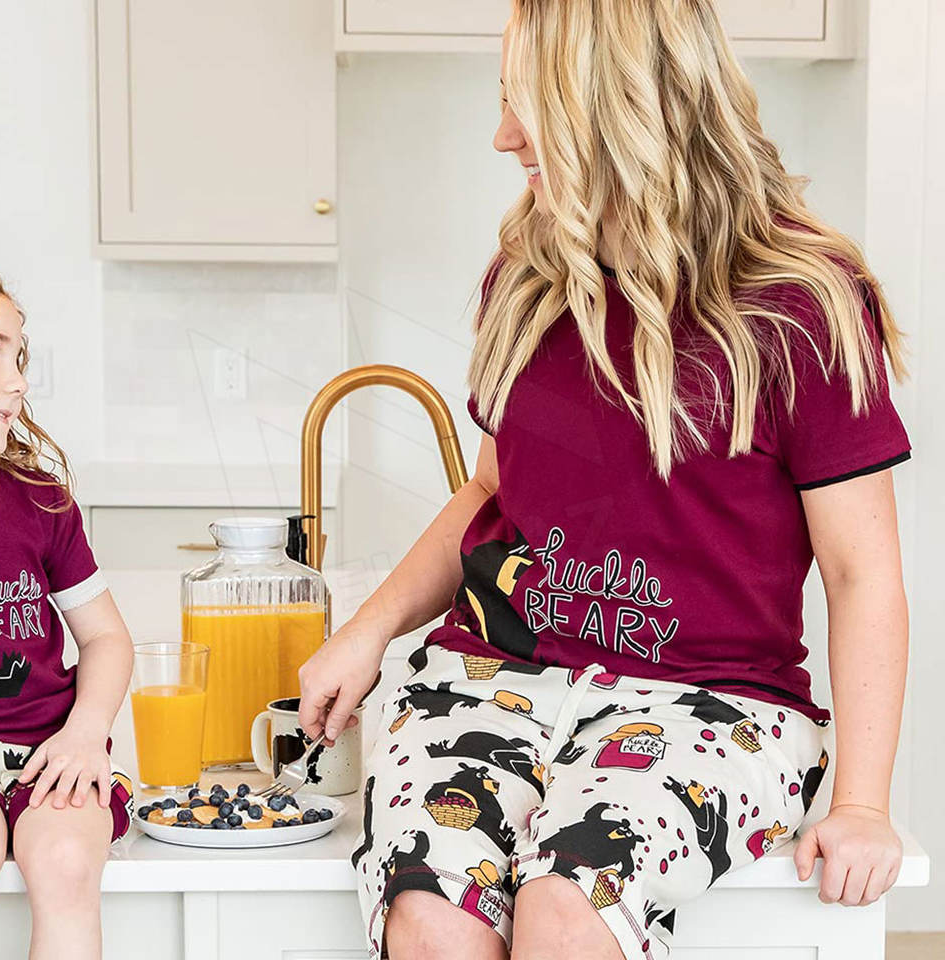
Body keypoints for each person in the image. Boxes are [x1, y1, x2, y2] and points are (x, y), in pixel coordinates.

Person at [297, 3, 910, 958]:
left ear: (617, 105)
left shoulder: (802, 302)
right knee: (429, 914)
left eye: (528, 104)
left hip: (714, 702)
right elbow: (489, 496)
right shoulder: (527, 278)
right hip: (491, 674)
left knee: (566, 911)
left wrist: (864, 802)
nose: (504, 136)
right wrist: (367, 632)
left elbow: (861, 572)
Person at [0, 276, 136, 959]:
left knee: (69, 863)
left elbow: (105, 637)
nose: (17, 381)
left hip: (52, 750)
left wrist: (85, 731)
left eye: (17, 355)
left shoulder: (41, 503)